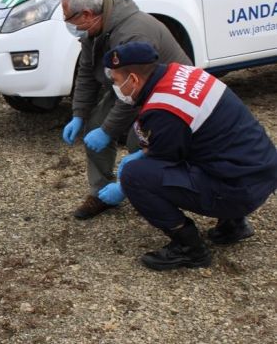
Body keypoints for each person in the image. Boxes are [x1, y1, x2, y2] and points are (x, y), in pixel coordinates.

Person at [97, 41, 277, 271]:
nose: (115, 86)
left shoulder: (162, 109)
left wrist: (124, 184)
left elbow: (164, 159)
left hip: (238, 188)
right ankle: (233, 224)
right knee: (206, 146)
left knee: (135, 176)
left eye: (116, 80)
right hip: (261, 169)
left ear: (133, 79)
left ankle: (189, 248)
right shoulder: (182, 73)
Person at [60, 0, 192, 220]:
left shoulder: (132, 33)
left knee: (139, 143)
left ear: (87, 14)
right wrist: (78, 114)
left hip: (167, 91)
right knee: (95, 125)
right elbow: (87, 72)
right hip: (129, 86)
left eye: (68, 19)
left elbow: (134, 92)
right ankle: (101, 192)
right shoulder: (94, 29)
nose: (68, 24)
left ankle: (147, 193)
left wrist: (109, 131)